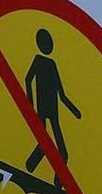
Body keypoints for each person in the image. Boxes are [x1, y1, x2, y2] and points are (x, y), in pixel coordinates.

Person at [24, 28, 81, 185]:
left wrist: (74, 110)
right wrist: (30, 104)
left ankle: (56, 182)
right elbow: (28, 79)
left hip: (53, 112)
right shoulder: (38, 60)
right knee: (46, 143)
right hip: (41, 111)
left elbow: (61, 94)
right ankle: (32, 168)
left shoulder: (52, 64)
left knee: (62, 151)